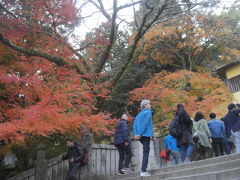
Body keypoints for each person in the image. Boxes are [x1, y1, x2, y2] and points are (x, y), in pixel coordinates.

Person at [133, 100, 153, 177]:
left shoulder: (138, 115)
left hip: (140, 136)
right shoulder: (148, 112)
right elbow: (145, 124)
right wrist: (140, 134)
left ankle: (145, 167)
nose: (150, 105)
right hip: (145, 135)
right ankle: (143, 171)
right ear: (145, 105)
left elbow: (134, 125)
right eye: (149, 104)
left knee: (146, 151)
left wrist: (136, 134)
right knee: (146, 152)